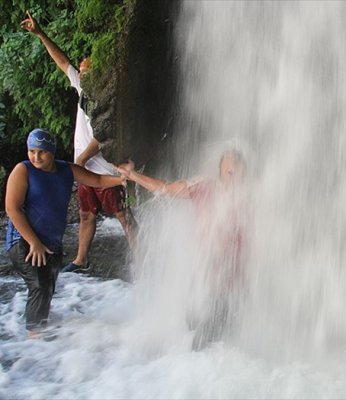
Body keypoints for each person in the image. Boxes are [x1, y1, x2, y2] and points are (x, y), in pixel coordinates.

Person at [21, 10, 136, 273]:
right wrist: (40, 34)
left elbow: (106, 133)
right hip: (85, 170)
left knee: (123, 216)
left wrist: (82, 159)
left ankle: (142, 258)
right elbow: (61, 62)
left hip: (105, 168)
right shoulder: (82, 87)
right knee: (86, 215)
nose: (81, 71)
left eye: (86, 68)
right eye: (81, 69)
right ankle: (81, 260)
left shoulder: (105, 97)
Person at [117, 149, 248, 349]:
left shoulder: (250, 196)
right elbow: (165, 188)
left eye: (239, 172)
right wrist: (132, 175)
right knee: (193, 329)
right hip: (202, 279)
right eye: (230, 172)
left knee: (207, 340)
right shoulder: (204, 187)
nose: (235, 176)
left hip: (230, 285)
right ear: (220, 171)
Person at [5, 129, 127, 336]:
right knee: (40, 285)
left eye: (42, 152)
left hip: (51, 242)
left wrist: (124, 179)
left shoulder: (66, 170)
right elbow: (12, 209)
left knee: (48, 286)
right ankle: (34, 337)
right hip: (24, 241)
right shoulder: (23, 170)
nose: (36, 157)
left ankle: (42, 335)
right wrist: (33, 242)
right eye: (32, 151)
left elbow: (96, 180)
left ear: (52, 152)